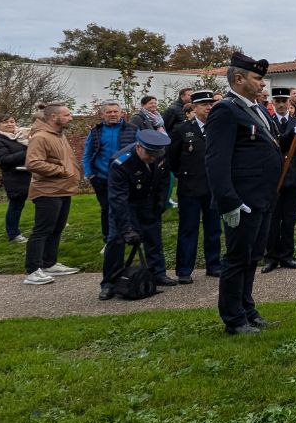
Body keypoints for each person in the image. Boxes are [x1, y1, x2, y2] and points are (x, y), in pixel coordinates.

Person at [205, 52, 283, 335]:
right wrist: (229, 201)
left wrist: (292, 135)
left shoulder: (257, 109)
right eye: (257, 78)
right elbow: (216, 161)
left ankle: (247, 309)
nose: (263, 84)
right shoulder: (225, 110)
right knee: (237, 258)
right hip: (242, 199)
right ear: (238, 79)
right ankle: (234, 319)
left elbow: (268, 145)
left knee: (252, 256)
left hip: (263, 196)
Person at [100, 130, 177, 298]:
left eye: (156, 155)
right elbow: (118, 199)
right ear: (139, 147)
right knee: (116, 241)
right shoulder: (121, 162)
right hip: (126, 205)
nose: (153, 159)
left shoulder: (161, 155)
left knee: (154, 238)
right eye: (149, 155)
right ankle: (109, 283)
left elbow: (164, 181)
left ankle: (158, 273)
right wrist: (127, 228)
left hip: (148, 202)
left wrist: (160, 204)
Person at [22, 102, 82, 285]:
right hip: (47, 191)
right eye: (67, 115)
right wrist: (61, 170)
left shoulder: (59, 135)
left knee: (57, 229)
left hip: (63, 189)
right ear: (54, 117)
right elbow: (33, 163)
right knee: (42, 230)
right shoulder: (40, 137)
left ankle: (49, 263)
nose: (70, 118)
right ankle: (33, 270)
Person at [166, 90, 221, 284]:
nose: (208, 107)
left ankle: (213, 265)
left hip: (213, 187)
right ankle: (184, 270)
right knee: (188, 229)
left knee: (214, 228)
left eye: (211, 104)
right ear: (194, 107)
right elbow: (172, 159)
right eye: (204, 104)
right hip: (190, 187)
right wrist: (183, 176)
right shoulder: (182, 130)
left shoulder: (218, 128)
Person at [262, 87, 296, 273]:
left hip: (294, 177)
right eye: (278, 101)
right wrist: (292, 135)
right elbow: (277, 144)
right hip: (273, 179)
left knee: (289, 219)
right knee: (273, 220)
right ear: (273, 103)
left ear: (290, 103)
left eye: (284, 101)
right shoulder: (268, 123)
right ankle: (271, 257)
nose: (281, 104)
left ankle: (287, 255)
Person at [82, 101, 137, 247]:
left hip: (125, 177)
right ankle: (108, 240)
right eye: (108, 112)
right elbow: (87, 154)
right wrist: (89, 174)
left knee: (127, 206)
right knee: (106, 209)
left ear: (121, 113)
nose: (112, 114)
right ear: (102, 114)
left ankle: (129, 235)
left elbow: (139, 152)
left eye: (115, 111)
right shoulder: (95, 131)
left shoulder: (132, 129)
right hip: (101, 178)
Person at [0, 114, 31, 243]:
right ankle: (14, 234)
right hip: (15, 178)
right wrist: (28, 151)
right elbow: (3, 160)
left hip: (29, 174)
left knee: (43, 201)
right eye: (5, 122)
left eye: (12, 121)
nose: (10, 124)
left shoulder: (18, 137)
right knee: (16, 206)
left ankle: (51, 225)